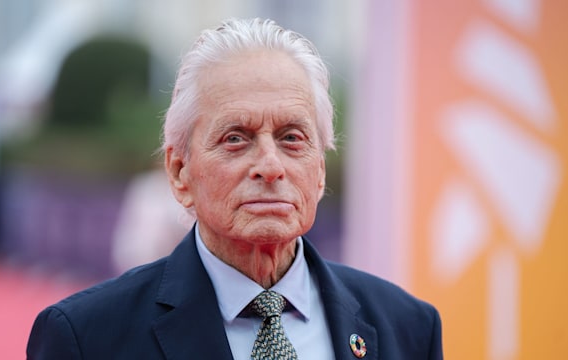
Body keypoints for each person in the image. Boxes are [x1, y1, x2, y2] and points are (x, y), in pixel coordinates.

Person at [26, 18, 443, 359]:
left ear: (319, 171)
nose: (270, 166)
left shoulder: (406, 328)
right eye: (236, 138)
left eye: (292, 138)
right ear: (178, 172)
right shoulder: (86, 339)